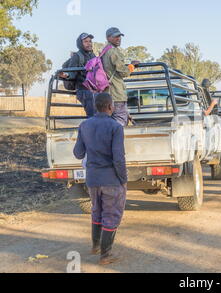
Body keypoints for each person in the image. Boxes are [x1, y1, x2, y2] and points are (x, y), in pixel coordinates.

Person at [73, 93, 128, 265]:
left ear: (96, 106)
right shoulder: (116, 127)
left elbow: (78, 153)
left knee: (97, 211)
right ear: (111, 107)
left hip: (92, 179)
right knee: (111, 214)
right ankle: (105, 255)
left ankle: (95, 246)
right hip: (111, 179)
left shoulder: (84, 125)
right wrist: (123, 179)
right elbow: (118, 158)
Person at [101, 27, 139, 126]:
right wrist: (132, 66)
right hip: (116, 95)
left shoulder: (104, 51)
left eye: (119, 36)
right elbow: (123, 72)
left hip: (107, 94)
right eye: (115, 36)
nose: (118, 38)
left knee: (108, 125)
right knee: (119, 126)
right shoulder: (113, 51)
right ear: (108, 38)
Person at [60, 33, 96, 117]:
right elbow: (71, 73)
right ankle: (90, 129)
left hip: (93, 90)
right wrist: (65, 75)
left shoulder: (92, 55)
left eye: (90, 41)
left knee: (99, 114)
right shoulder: (77, 56)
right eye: (86, 41)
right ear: (80, 44)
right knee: (92, 115)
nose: (89, 43)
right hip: (84, 90)